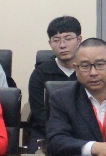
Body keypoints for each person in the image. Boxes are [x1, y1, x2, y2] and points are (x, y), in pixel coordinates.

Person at [27, 15, 83, 143]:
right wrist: (61, 136)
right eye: (56, 40)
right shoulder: (40, 74)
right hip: (47, 133)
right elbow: (39, 114)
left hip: (83, 133)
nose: (62, 45)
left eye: (68, 39)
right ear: (50, 43)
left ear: (79, 40)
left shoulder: (88, 71)